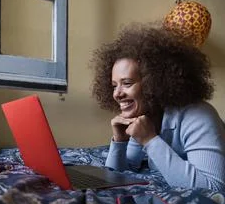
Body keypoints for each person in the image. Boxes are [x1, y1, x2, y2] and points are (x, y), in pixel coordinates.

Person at [90, 22, 225, 191]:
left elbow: (214, 189)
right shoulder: (144, 115)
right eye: (114, 85)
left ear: (153, 82)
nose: (117, 94)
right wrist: (119, 141)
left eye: (127, 83)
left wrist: (150, 140)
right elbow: (117, 174)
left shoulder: (198, 115)